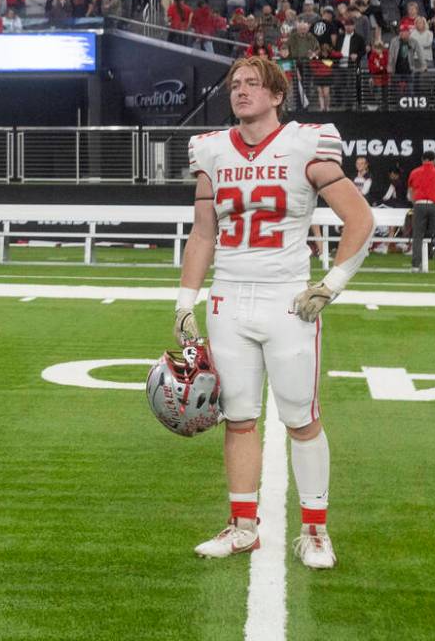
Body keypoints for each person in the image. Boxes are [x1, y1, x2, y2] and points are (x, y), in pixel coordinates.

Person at [176, 55, 374, 570]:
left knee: (300, 419)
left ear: (277, 94)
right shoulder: (212, 150)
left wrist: (331, 285)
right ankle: (243, 527)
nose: (239, 91)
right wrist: (184, 300)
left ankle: (315, 531)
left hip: (287, 300)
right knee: (238, 418)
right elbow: (203, 232)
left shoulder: (306, 143)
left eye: (251, 84)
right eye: (234, 84)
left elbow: (361, 218)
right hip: (228, 299)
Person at [407, 150, 435, 273]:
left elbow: (410, 191)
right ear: (434, 160)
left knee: (417, 236)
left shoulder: (414, 172)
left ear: (422, 160)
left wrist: (415, 203)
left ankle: (415, 265)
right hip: (434, 205)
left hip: (419, 205)